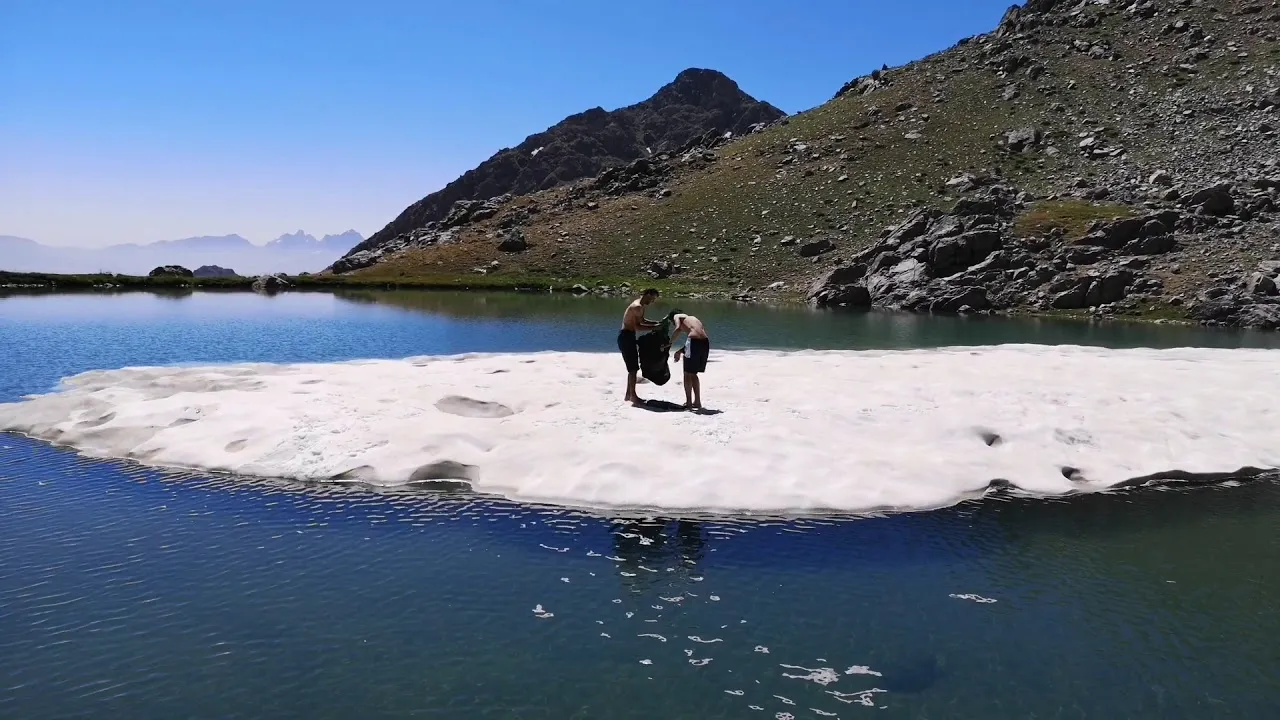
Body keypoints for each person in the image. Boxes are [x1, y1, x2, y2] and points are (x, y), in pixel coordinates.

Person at [618, 288, 661, 405]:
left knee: (633, 368)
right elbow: (638, 326)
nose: (652, 301)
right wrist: (654, 328)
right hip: (626, 337)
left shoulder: (641, 306)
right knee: (633, 368)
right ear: (647, 295)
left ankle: (628, 395)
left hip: (629, 336)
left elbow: (642, 320)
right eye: (652, 298)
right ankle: (633, 396)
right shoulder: (637, 306)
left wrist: (656, 323)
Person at [668, 310, 710, 409]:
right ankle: (697, 402)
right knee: (693, 373)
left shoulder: (677, 316)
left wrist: (669, 343)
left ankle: (689, 402)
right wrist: (679, 351)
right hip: (705, 342)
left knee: (687, 373)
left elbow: (678, 329)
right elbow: (694, 341)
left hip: (694, 342)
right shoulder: (692, 319)